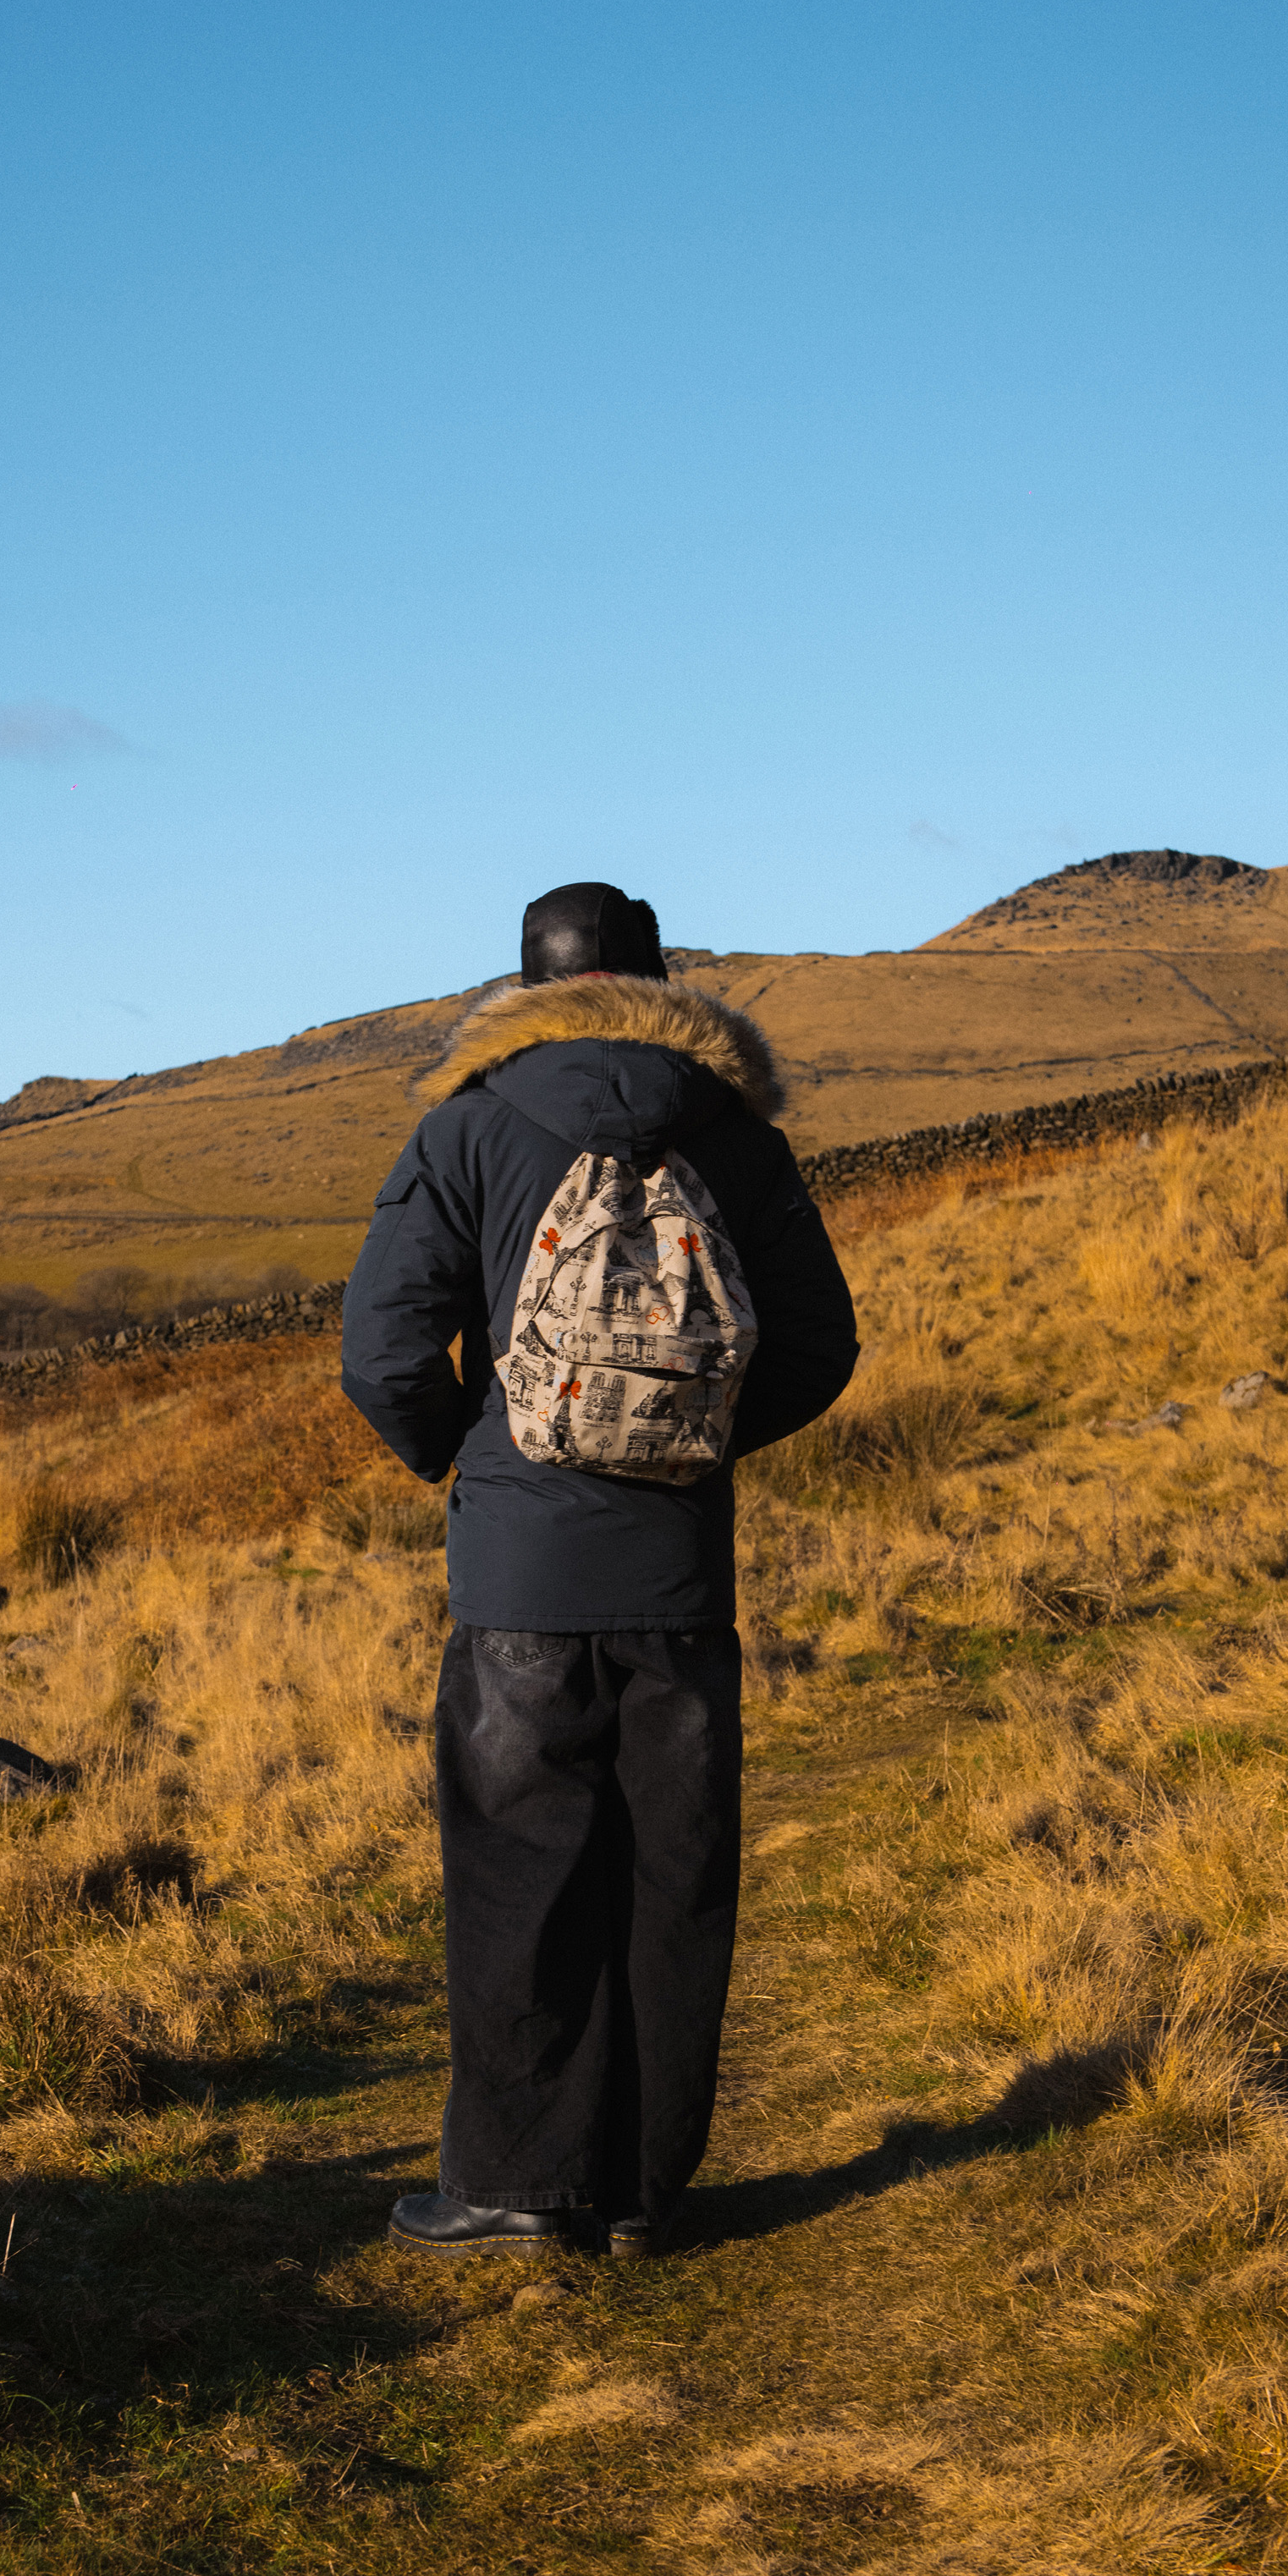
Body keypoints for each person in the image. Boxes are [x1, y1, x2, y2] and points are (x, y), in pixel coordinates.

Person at [340, 880, 860, 2259]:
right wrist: (692, 1445)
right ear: (663, 981)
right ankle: (641, 2195)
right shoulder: (737, 1138)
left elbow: (384, 1353)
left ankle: (519, 2185)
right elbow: (817, 1345)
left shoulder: (467, 1127)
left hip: (519, 1574)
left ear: (522, 990)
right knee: (669, 1876)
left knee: (521, 1870)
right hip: (678, 1576)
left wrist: (477, 1464)